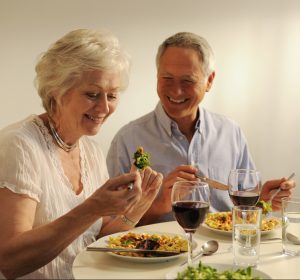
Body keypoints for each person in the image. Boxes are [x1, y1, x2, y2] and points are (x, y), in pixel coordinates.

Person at [0, 29, 163, 279]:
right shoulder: (19, 146)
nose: (105, 108)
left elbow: (92, 240)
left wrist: (135, 209)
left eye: (112, 95)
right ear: (56, 90)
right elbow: (10, 262)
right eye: (92, 94)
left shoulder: (90, 150)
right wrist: (91, 208)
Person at [107, 31, 295, 225]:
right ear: (157, 76)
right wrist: (160, 204)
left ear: (210, 81)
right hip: (157, 252)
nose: (176, 90)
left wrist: (264, 202)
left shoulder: (231, 132)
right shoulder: (127, 140)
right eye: (167, 78)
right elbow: (110, 227)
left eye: (187, 81)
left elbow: (245, 215)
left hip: (223, 251)